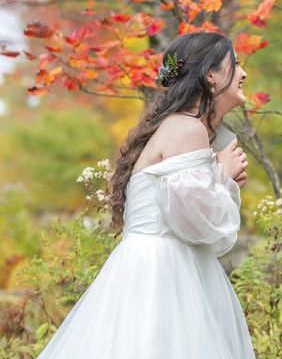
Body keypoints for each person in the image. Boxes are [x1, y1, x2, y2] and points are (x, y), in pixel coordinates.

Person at [38, 32, 255, 358]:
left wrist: (221, 179)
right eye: (235, 64)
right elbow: (198, 226)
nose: (243, 73)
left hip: (155, 265)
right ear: (211, 75)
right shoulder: (187, 128)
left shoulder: (178, 127)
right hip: (161, 275)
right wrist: (223, 176)